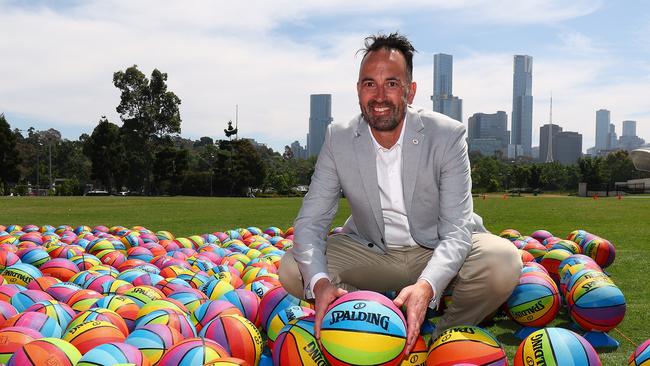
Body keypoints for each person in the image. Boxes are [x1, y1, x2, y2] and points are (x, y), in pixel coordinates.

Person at [279, 32, 521, 355]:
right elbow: (310, 223)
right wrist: (321, 283)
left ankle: (441, 334)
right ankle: (366, 319)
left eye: (391, 83)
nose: (379, 96)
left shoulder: (447, 136)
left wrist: (427, 285)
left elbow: (457, 231)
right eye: (369, 84)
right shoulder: (338, 138)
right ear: (358, 91)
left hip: (434, 247)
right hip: (373, 251)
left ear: (410, 90)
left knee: (503, 261)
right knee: (294, 268)